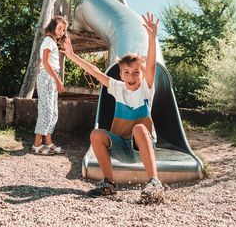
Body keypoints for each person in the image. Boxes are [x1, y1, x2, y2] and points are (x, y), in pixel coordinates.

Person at [61, 12, 164, 202]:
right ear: (121, 75)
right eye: (127, 73)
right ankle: (109, 184)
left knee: (140, 128)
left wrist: (152, 38)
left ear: (141, 75)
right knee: (96, 134)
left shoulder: (146, 89)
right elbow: (94, 71)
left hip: (141, 146)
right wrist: (72, 55)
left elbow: (150, 67)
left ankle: (154, 182)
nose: (132, 77)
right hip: (120, 146)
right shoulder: (117, 88)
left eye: (136, 73)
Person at [31, 16, 68, 155]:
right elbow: (46, 63)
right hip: (47, 77)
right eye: (59, 28)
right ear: (52, 27)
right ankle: (36, 145)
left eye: (64, 30)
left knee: (53, 112)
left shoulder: (53, 42)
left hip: (52, 77)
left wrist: (56, 79)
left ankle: (48, 142)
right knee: (46, 111)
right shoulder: (47, 41)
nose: (62, 32)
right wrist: (58, 80)